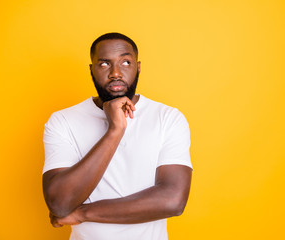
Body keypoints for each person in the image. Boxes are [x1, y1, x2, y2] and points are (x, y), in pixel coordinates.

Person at [42, 32, 193, 240]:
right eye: (104, 64)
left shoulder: (167, 118)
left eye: (125, 62)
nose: (115, 73)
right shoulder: (63, 121)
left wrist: (81, 213)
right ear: (92, 70)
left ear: (137, 67)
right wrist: (115, 131)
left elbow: (172, 200)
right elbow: (60, 203)